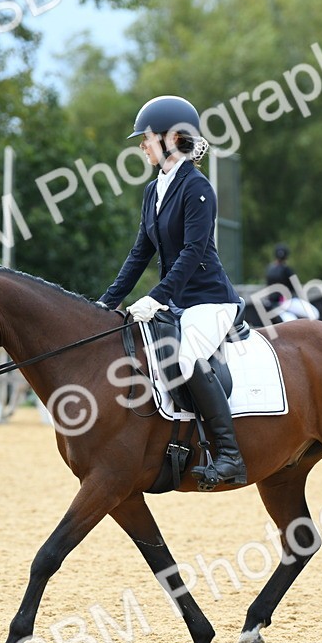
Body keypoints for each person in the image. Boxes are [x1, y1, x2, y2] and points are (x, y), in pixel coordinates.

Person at [96, 95, 247, 488]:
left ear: (172, 138)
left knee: (187, 356)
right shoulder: (153, 191)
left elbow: (194, 252)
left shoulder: (197, 188)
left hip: (209, 300)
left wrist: (157, 295)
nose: (142, 145)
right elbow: (139, 253)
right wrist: (104, 304)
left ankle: (230, 456)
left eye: (146, 139)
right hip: (177, 301)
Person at [265, 244, 319, 322]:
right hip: (287, 301)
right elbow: (295, 287)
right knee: (314, 314)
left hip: (272, 303)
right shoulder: (288, 270)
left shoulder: (269, 270)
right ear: (286, 257)